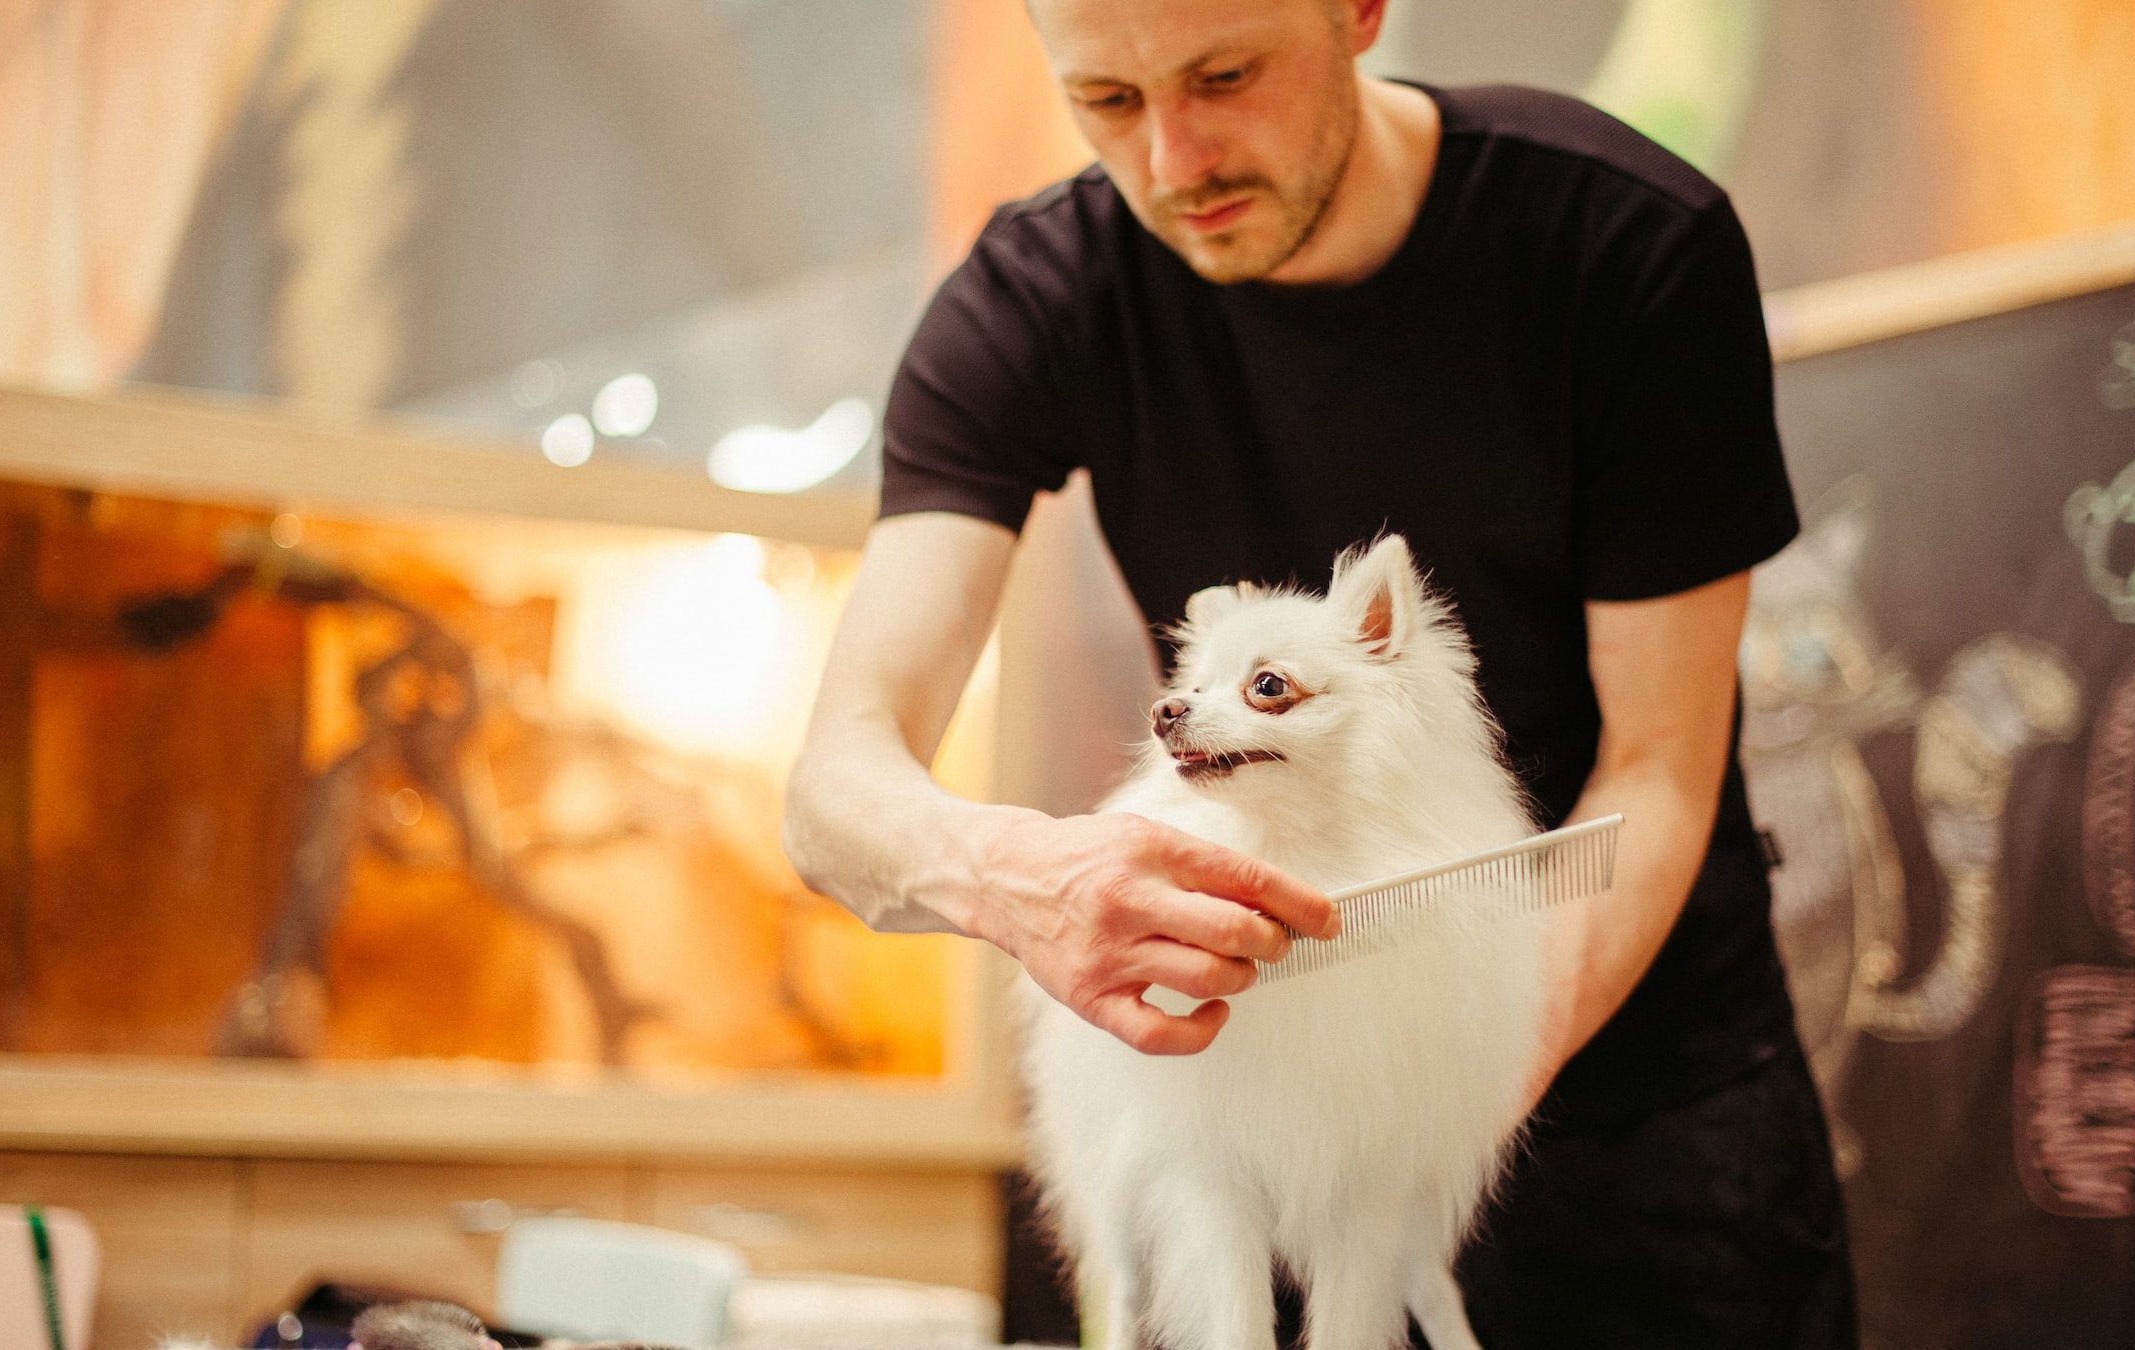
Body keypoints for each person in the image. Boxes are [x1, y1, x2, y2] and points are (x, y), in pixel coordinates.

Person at [782, 0, 1856, 1342]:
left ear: (1358, 11)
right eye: (1106, 101)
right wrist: (1021, 880)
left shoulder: (1626, 241)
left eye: (1224, 76)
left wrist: (1430, 1084)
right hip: (1254, 1102)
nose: (1175, 159)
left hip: (1637, 1079)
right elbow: (835, 783)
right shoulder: (1038, 294)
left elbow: (1659, 765)